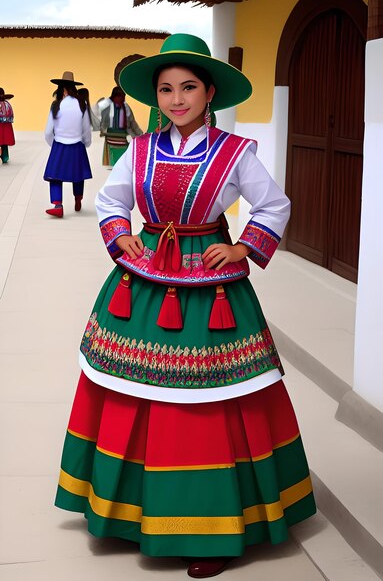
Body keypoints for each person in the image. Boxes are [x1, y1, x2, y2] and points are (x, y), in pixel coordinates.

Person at [55, 34, 316, 578]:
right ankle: (126, 509)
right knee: (130, 386)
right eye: (167, 89)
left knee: (209, 396)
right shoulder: (142, 148)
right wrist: (118, 233)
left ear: (210, 92)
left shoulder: (234, 152)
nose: (177, 99)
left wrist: (242, 245)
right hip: (143, 278)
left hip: (211, 285)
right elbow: (111, 198)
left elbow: (273, 203)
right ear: (157, 96)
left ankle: (210, 526)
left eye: (188, 87)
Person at [43, 71, 92, 218]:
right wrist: (86, 143)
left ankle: (58, 205)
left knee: (55, 176)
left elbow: (47, 131)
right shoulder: (81, 104)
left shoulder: (56, 105)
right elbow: (86, 128)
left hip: (59, 144)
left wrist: (53, 144)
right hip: (77, 144)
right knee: (78, 174)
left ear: (62, 89)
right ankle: (78, 199)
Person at [97, 86, 143, 168]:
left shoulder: (126, 107)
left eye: (122, 97)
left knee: (123, 156)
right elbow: (98, 116)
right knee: (114, 156)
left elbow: (132, 122)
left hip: (122, 135)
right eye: (119, 97)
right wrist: (102, 129)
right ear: (114, 96)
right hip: (110, 135)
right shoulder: (106, 105)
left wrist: (140, 134)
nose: (121, 99)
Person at [0, 87, 15, 164]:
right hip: (6, 126)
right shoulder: (7, 104)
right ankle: (5, 157)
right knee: (4, 142)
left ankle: (4, 156)